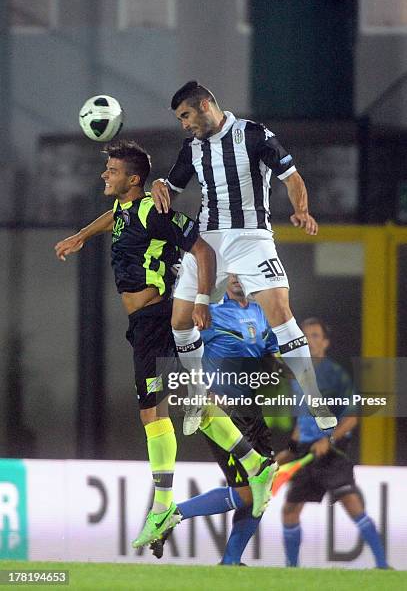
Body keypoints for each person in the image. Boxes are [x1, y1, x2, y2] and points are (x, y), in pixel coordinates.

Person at [55, 140, 277, 548]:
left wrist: (202, 300)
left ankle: (162, 508)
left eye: (113, 170)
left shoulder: (153, 213)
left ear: (133, 179)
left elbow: (201, 248)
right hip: (145, 323)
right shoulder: (125, 209)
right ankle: (255, 462)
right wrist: (81, 235)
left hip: (157, 321)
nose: (105, 175)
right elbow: (113, 218)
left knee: (153, 416)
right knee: (196, 403)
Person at [150, 80, 336, 432]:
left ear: (205, 104)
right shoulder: (192, 148)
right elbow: (170, 189)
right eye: (179, 119)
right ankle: (196, 394)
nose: (184, 124)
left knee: (280, 313)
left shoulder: (252, 134)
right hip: (208, 240)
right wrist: (158, 184)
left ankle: (313, 396)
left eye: (186, 115)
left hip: (252, 238)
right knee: (179, 322)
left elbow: (291, 178)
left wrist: (302, 210)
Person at [150, 274, 289, 565]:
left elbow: (272, 356)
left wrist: (285, 366)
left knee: (263, 486)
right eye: (232, 273)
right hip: (222, 413)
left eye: (242, 272)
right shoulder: (207, 311)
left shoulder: (261, 311)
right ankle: (173, 514)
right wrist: (204, 390)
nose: (237, 279)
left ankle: (230, 563)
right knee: (247, 491)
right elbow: (182, 350)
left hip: (252, 409)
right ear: (224, 278)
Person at [279, 317, 389, 569]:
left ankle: (382, 566)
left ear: (325, 343)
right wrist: (289, 451)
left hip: (332, 451)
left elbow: (352, 415)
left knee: (352, 503)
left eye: (315, 336)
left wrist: (327, 439)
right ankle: (291, 570)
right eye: (305, 336)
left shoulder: (335, 375)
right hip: (306, 453)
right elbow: (301, 423)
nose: (309, 341)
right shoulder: (297, 378)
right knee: (290, 510)